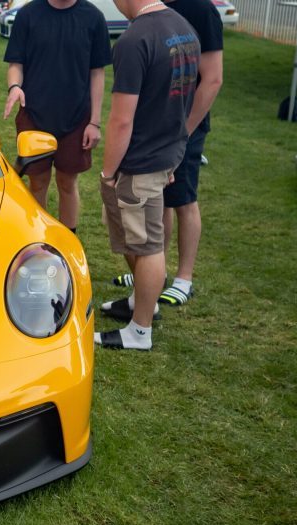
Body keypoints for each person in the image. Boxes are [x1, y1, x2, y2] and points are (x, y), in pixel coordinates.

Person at [95, 0, 199, 351]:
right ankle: (143, 301)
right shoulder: (183, 28)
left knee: (146, 245)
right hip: (166, 154)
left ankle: (140, 329)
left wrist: (109, 172)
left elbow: (121, 119)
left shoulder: (133, 40)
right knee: (137, 238)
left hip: (139, 161)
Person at [110, 0, 222, 309]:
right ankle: (152, 274)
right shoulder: (153, 13)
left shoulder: (200, 10)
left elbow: (212, 78)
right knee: (155, 203)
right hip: (157, 128)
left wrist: (182, 130)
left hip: (184, 125)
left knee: (183, 200)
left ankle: (183, 278)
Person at [3, 0, 110, 234]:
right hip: (34, 114)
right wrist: (14, 87)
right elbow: (15, 64)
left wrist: (95, 121)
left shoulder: (93, 17)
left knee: (67, 183)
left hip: (77, 118)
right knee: (37, 182)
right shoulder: (29, 15)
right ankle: (36, 237)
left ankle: (67, 240)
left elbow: (97, 73)